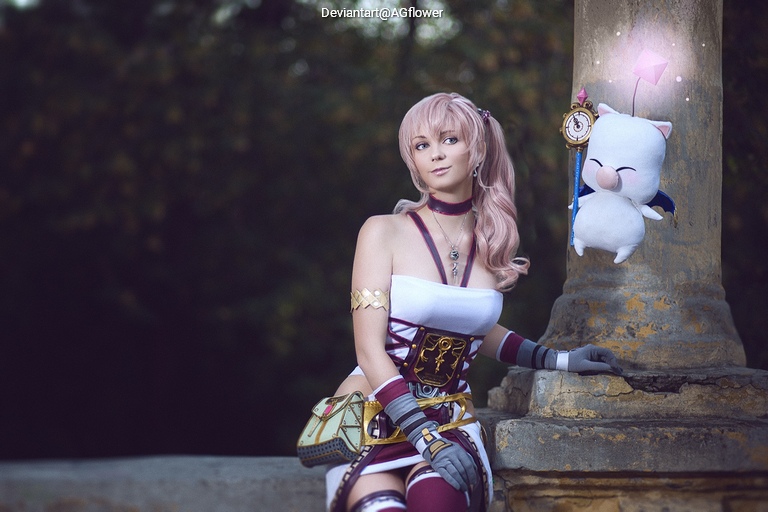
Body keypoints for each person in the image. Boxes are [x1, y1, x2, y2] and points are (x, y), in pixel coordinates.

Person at [326, 92, 623, 512]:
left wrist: (559, 360)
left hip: (448, 419)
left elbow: (474, 330)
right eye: (421, 145)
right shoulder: (381, 231)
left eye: (449, 139)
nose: (435, 155)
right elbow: (369, 350)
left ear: (477, 149)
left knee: (439, 503)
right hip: (372, 413)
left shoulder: (490, 242)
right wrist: (424, 438)